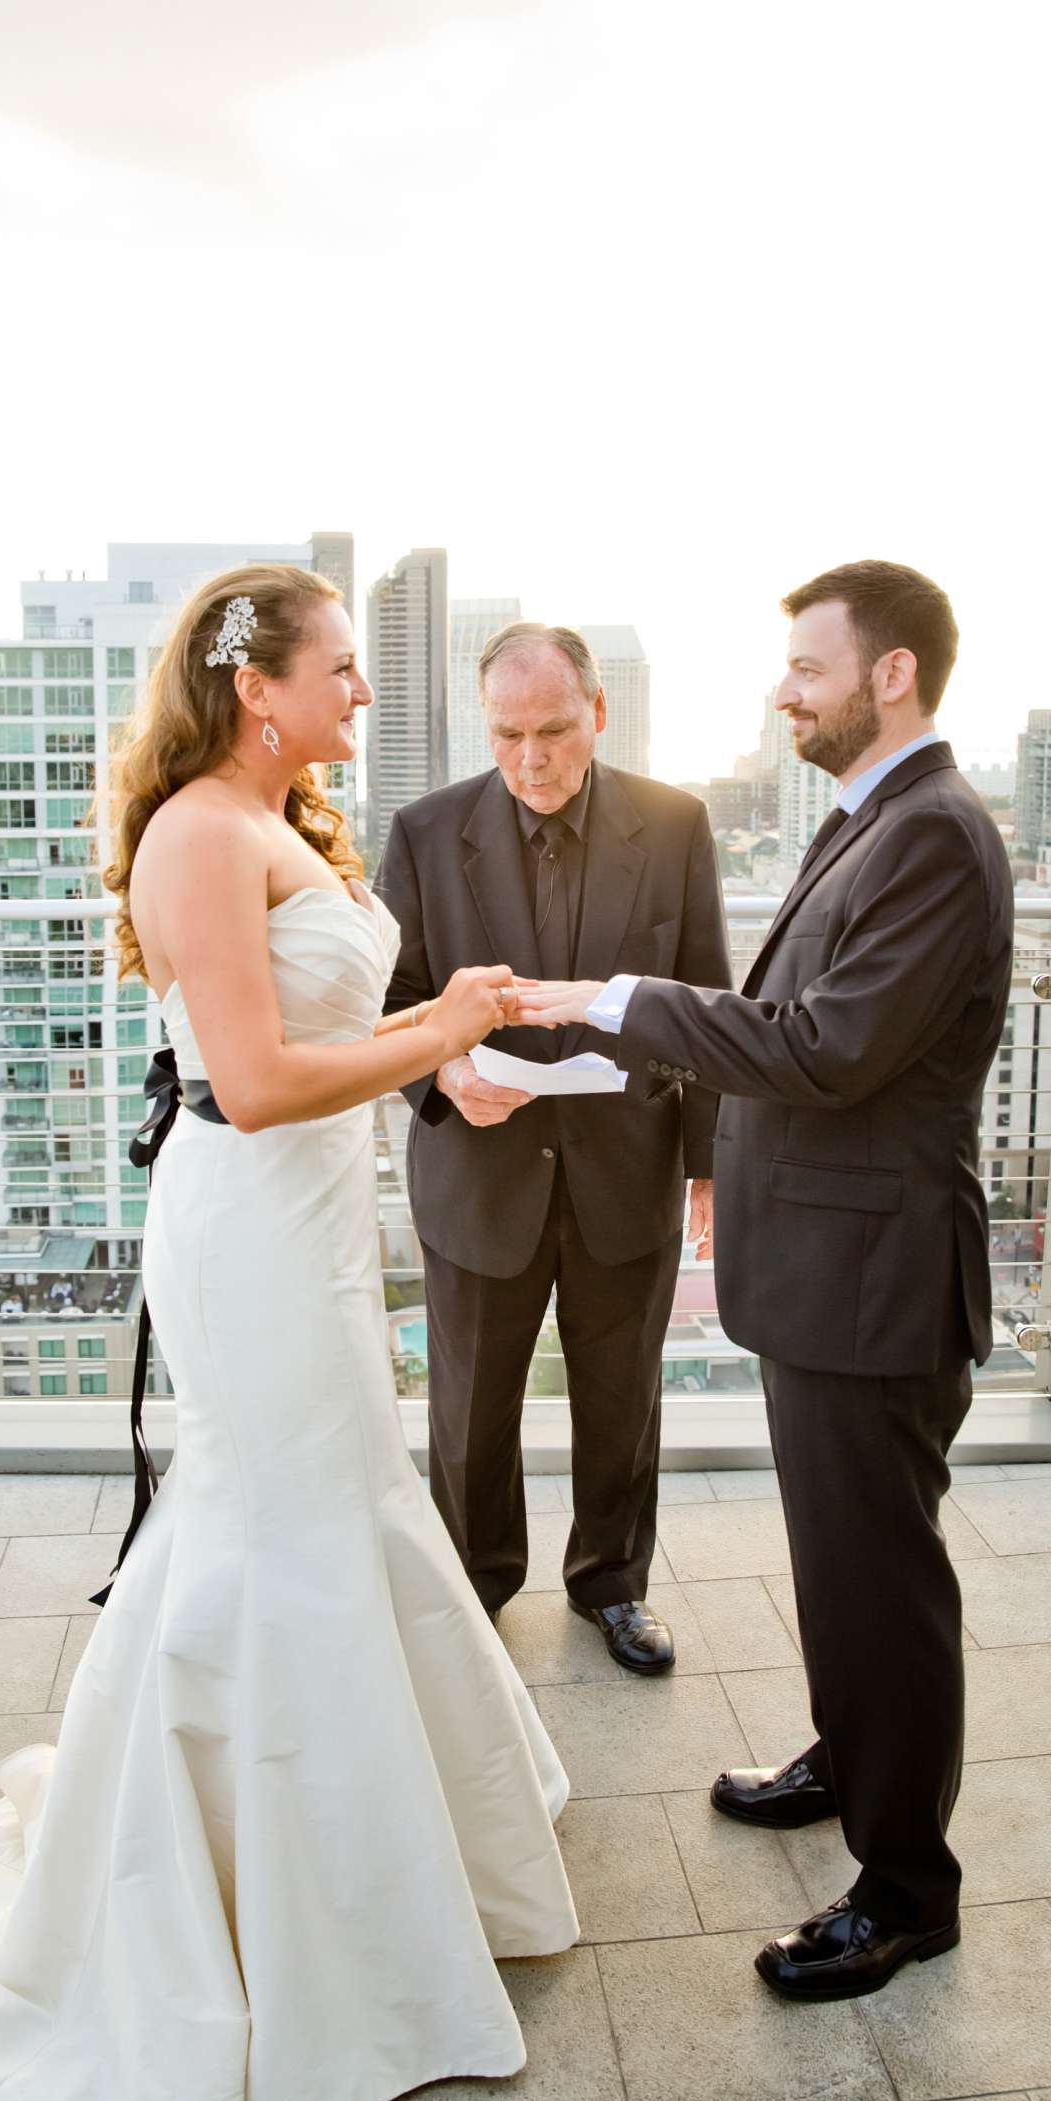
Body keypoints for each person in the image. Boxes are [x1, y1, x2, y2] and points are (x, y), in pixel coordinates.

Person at [0, 565, 579, 2101]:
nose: (362, 696)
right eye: (340, 673)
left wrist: (453, 1065)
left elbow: (336, 1029)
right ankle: (261, 1912)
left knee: (344, 1510)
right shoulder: (194, 832)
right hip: (249, 1233)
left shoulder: (286, 822)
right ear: (263, 689)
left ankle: (376, 1860)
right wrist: (439, 1016)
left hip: (314, 1226)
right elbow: (248, 1079)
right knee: (285, 1531)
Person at [517, 560, 1014, 2000]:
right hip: (829, 1271)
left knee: (882, 1588)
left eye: (808, 666)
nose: (784, 690)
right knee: (841, 1568)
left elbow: (822, 1047)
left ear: (894, 675)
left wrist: (616, 999)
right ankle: (849, 1760)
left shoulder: (932, 838)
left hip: (879, 1284)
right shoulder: (875, 822)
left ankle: (908, 1889)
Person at [377, 621, 731, 1671]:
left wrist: (708, 1164)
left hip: (629, 1166)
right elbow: (391, 1003)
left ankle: (612, 1587)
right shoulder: (426, 832)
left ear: (598, 714)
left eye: (554, 731)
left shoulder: (673, 825)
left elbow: (706, 996)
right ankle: (472, 1592)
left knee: (621, 1400)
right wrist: (443, 1073)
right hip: (478, 1167)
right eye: (508, 733)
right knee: (469, 1407)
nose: (531, 758)